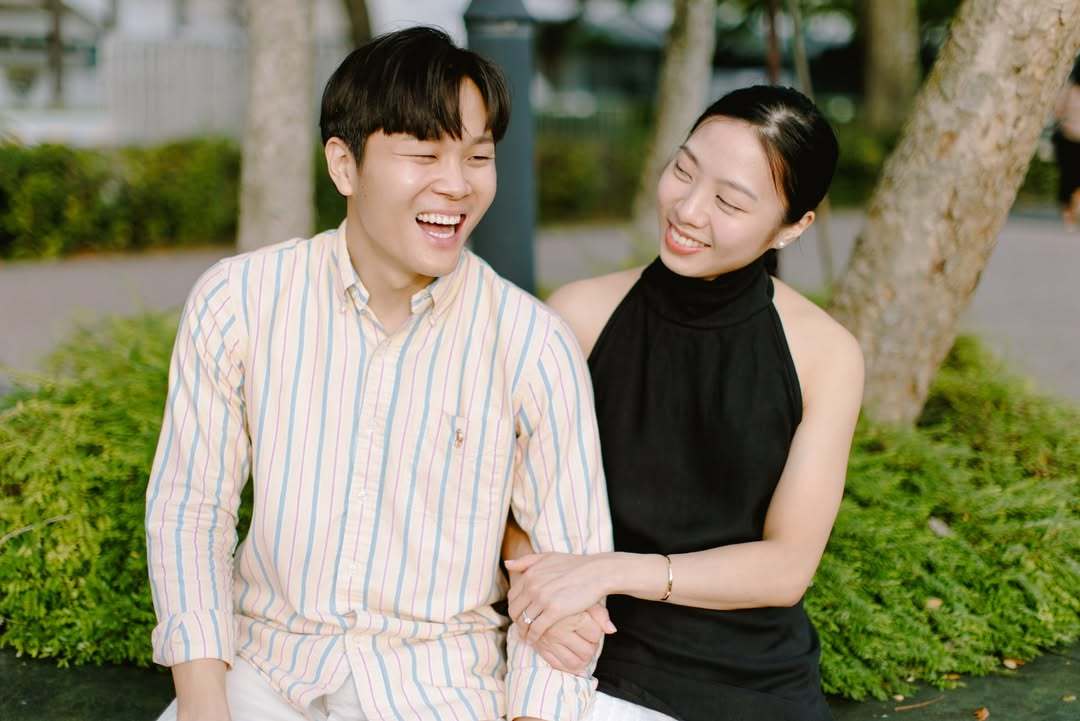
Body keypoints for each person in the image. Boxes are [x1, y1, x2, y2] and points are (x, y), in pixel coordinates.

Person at [145, 26, 612, 721]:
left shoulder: (532, 345)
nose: (456, 184)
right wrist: (203, 704)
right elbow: (191, 511)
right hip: (264, 673)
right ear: (344, 165)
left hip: (441, 689)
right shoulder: (239, 300)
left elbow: (566, 582)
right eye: (424, 154)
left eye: (478, 156)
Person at [502, 85, 864, 721]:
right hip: (589, 654)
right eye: (684, 170)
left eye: (729, 201)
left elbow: (786, 567)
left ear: (793, 227)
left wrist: (612, 571)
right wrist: (536, 593)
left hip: (751, 682)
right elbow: (505, 502)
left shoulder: (825, 355)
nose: (689, 209)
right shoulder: (578, 316)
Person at [1053, 57, 1080, 228]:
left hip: (1067, 137)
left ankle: (1068, 213)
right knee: (1072, 178)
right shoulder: (1069, 90)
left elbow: (1057, 111)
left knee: (1068, 177)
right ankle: (1072, 209)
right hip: (1069, 138)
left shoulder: (1069, 89)